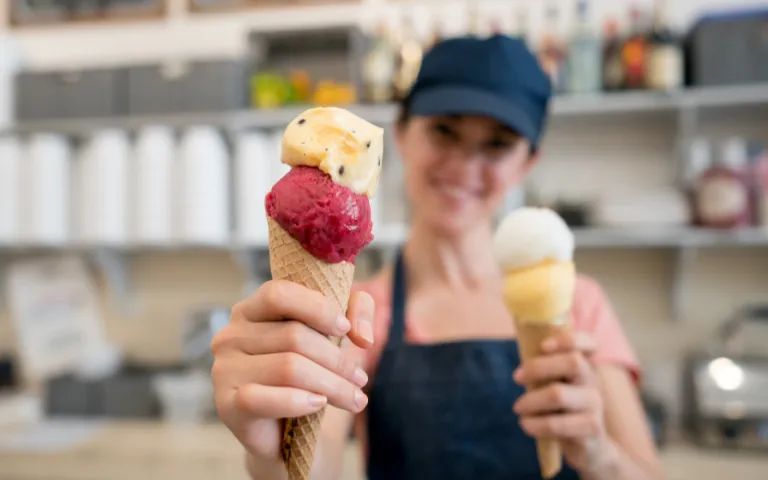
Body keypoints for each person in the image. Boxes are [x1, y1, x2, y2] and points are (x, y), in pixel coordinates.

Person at [211, 35, 664, 480]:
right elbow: (315, 467)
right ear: (403, 134)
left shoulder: (579, 304)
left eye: (498, 144)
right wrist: (273, 452)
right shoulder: (357, 316)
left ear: (528, 161)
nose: (465, 165)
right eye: (444, 131)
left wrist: (600, 455)